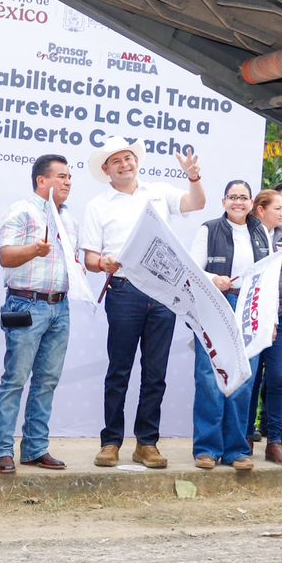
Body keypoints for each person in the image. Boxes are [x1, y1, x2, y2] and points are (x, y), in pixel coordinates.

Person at [80, 137, 206, 470]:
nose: (124, 164)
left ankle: (147, 443)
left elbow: (196, 203)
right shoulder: (98, 205)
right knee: (118, 370)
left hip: (163, 291)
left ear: (137, 161)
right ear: (106, 170)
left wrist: (193, 177)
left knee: (156, 372)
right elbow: (90, 258)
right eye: (116, 161)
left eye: (128, 157)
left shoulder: (159, 192)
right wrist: (102, 263)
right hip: (124, 291)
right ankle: (110, 442)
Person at [0, 153, 76, 474]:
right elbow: (5, 256)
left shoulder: (70, 219)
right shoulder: (22, 211)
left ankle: (35, 448)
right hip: (26, 304)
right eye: (62, 176)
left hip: (60, 306)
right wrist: (34, 250)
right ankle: (1, 449)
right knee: (15, 379)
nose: (68, 182)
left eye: (70, 178)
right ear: (42, 180)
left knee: (47, 381)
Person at [188, 180, 261, 472]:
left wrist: (271, 320)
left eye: (244, 197)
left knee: (243, 378)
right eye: (233, 197)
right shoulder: (209, 229)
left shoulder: (260, 232)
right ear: (223, 201)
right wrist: (213, 279)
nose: (238, 202)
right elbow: (192, 269)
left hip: (249, 309)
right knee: (210, 378)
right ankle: (206, 449)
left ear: (252, 203)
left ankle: (236, 450)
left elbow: (266, 278)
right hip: (215, 305)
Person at [249, 189, 282, 467]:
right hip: (253, 317)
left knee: (278, 379)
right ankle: (243, 437)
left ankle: (274, 442)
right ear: (260, 210)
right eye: (278, 207)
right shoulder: (246, 232)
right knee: (251, 379)